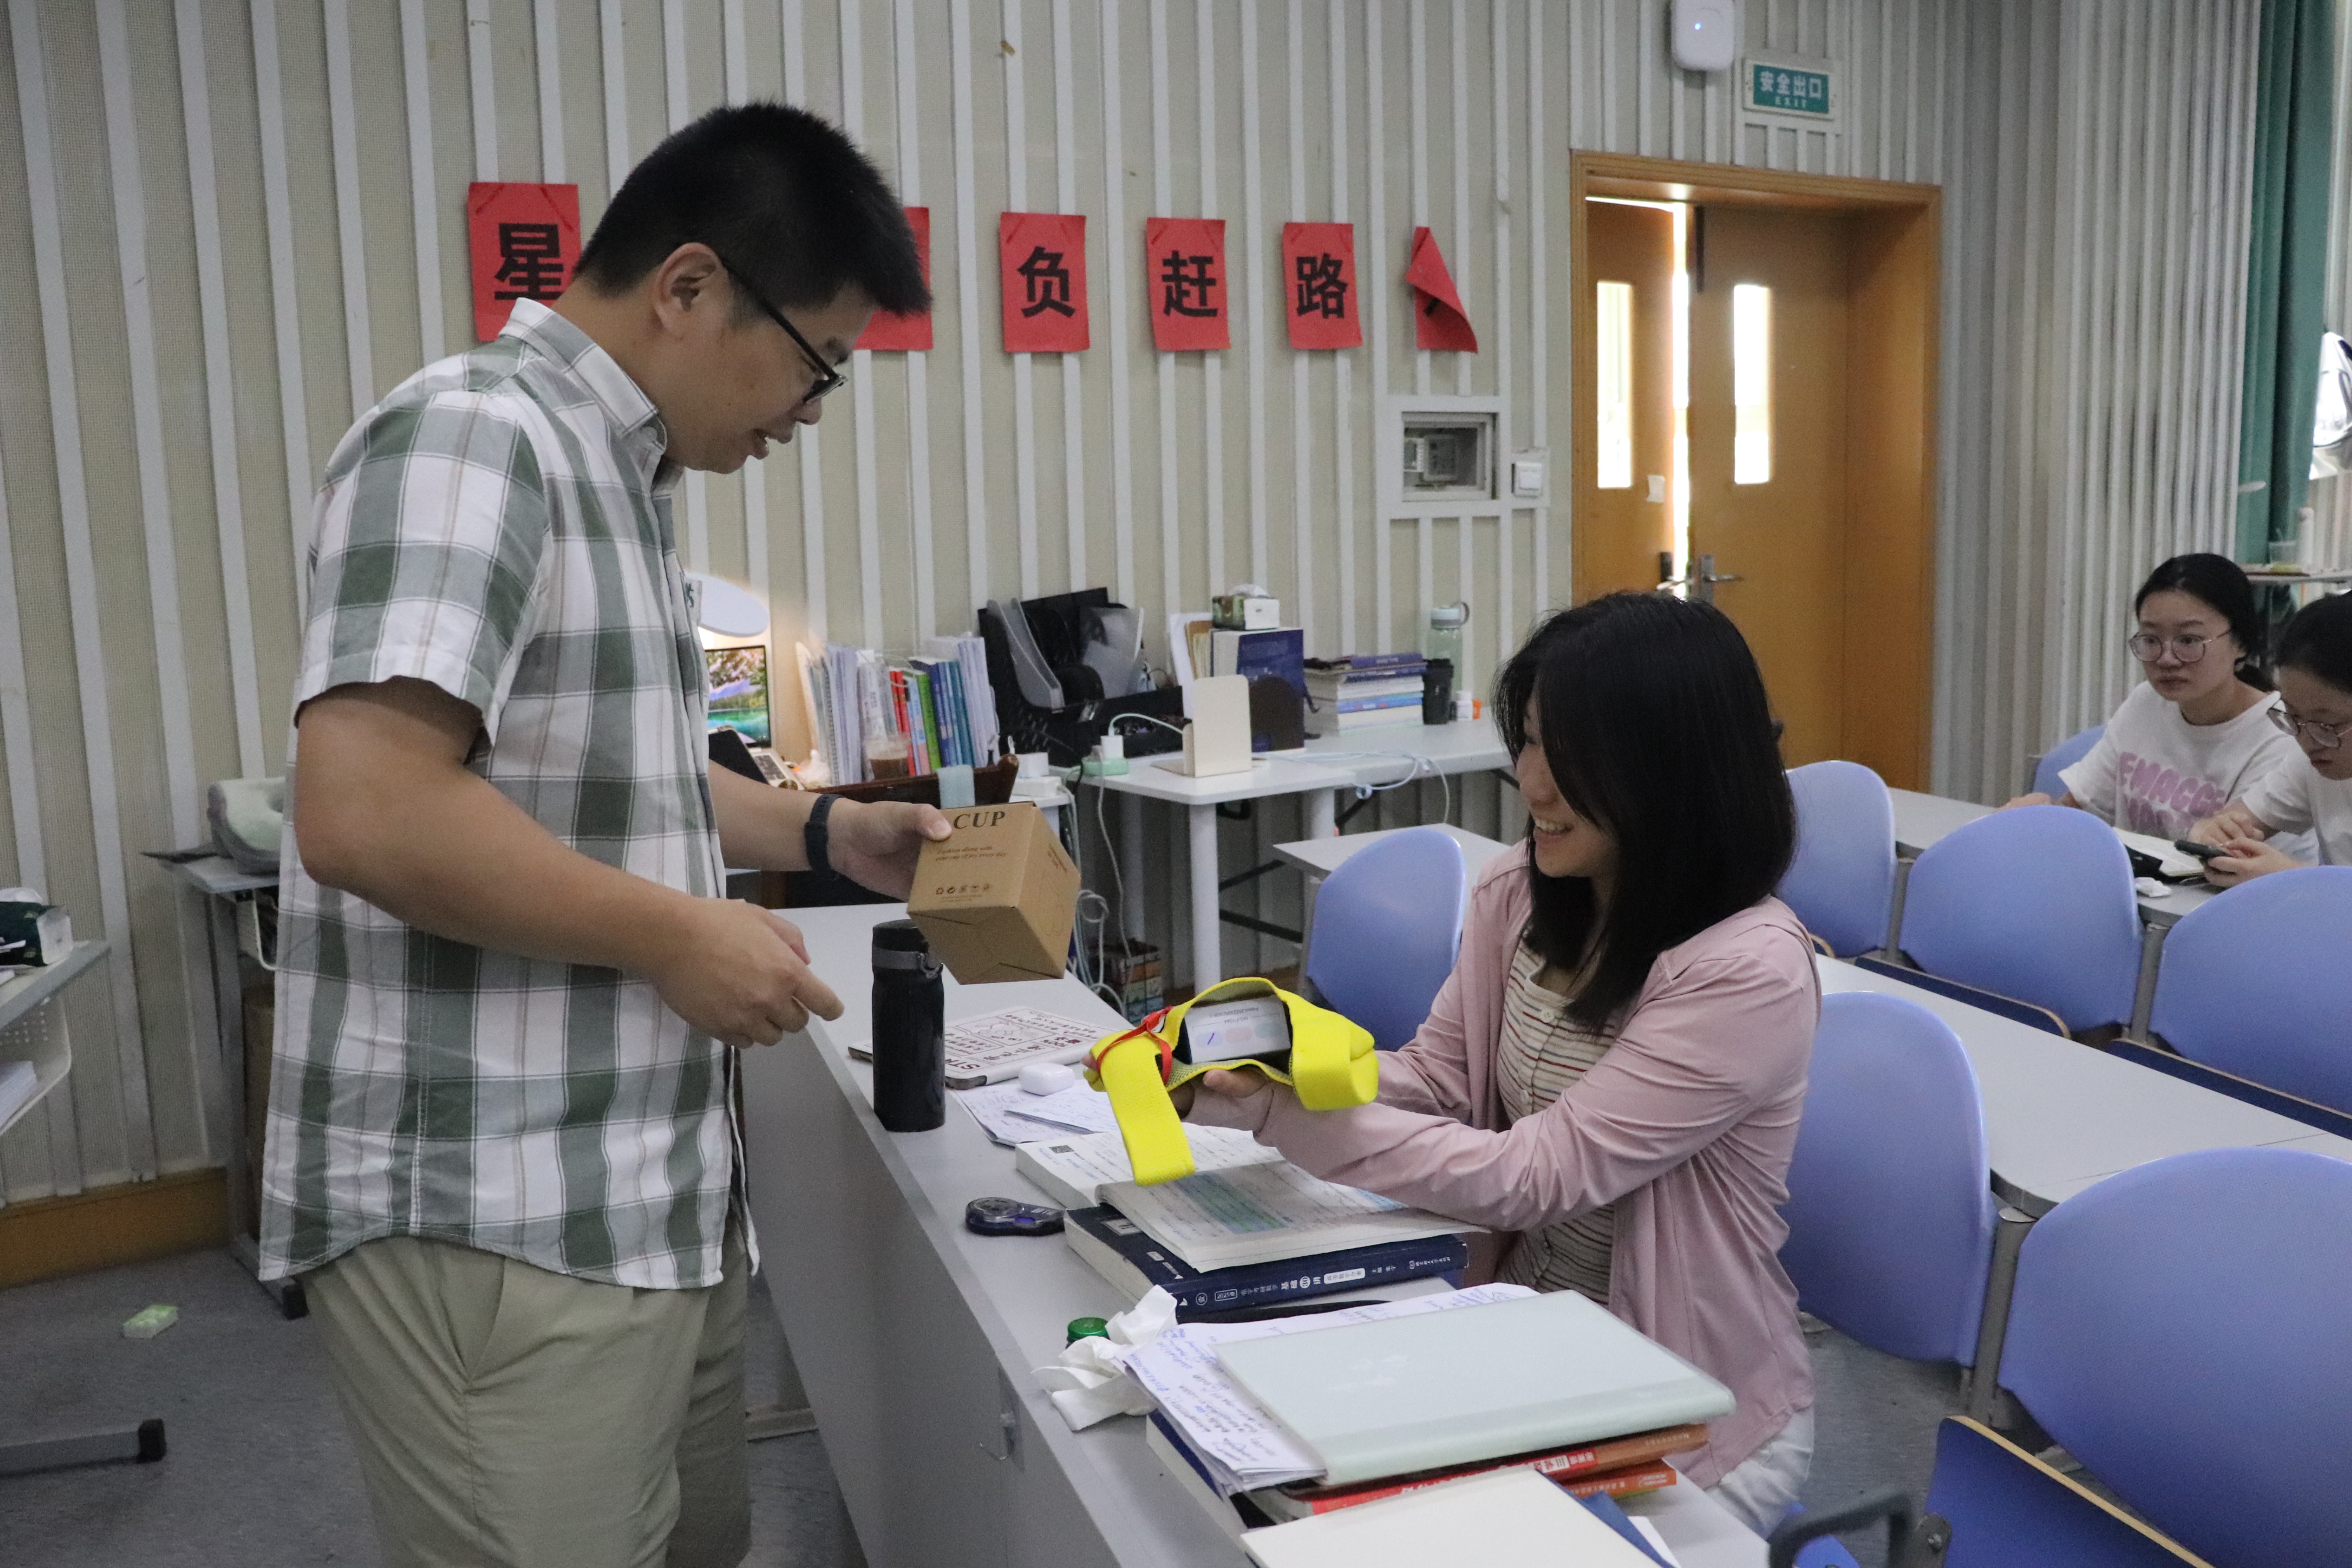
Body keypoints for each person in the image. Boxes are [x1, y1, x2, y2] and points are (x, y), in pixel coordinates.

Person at [262, 103, 935, 1568]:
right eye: (815, 362)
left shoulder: (617, 474)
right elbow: (366, 805)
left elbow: (609, 777)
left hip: (637, 1188)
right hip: (496, 1203)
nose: (809, 412)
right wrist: (679, 933)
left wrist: (828, 830)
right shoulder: (473, 438)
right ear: (689, 287)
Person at [1181, 592, 1819, 1533]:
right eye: (1527, 742)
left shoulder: (1747, 971)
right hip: (1525, 1335)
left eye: (1571, 756)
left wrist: (1286, 1120)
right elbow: (1442, 1082)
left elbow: (1536, 1176)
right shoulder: (1521, 891)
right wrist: (1272, 1067)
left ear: (1674, 767)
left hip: (1683, 1409)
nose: (1533, 783)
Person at [2004, 553, 2298, 838]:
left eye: (2189, 640)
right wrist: (2039, 816)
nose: (2166, 659)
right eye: (2151, 639)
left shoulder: (2282, 731)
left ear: (2242, 642)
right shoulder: (2146, 702)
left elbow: (2234, 856)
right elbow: (2079, 809)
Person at [2190, 592, 2352, 884]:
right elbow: (2234, 819)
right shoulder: (2311, 763)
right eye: (2293, 716)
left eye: (2328, 724)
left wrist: (2292, 878)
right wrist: (2212, 834)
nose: (2307, 740)